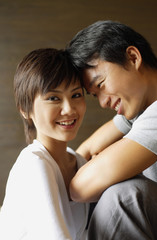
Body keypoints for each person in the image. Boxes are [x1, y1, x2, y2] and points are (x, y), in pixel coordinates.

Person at [66, 20, 157, 239]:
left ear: (133, 58)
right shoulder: (140, 111)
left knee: (123, 197)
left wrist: (110, 169)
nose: (103, 102)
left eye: (101, 85)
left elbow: (81, 187)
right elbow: (85, 151)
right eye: (95, 95)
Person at [0, 48, 89, 240]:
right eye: (53, 98)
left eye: (76, 95)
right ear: (25, 109)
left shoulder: (80, 163)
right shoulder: (33, 164)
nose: (69, 109)